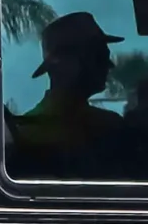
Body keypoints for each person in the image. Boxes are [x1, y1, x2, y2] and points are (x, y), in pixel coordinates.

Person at [8, 11, 126, 168]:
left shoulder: (27, 129)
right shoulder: (32, 134)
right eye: (99, 56)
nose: (110, 65)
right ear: (64, 62)